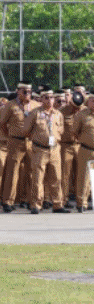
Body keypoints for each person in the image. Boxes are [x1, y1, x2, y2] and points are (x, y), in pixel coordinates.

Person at [24, 90, 67, 213]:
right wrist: (38, 138)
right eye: (46, 98)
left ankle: (58, 204)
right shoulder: (34, 113)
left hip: (54, 149)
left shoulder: (58, 114)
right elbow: (26, 130)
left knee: (56, 178)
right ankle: (36, 205)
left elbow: (61, 130)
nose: (50, 100)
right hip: (40, 150)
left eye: (52, 97)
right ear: (41, 99)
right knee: (38, 179)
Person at [1, 81, 40, 212]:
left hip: (31, 143)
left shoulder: (35, 105)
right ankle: (8, 201)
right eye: (24, 91)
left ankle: (31, 201)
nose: (28, 94)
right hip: (15, 142)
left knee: (32, 172)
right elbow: (2, 123)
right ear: (18, 91)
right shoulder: (10, 105)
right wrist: (9, 136)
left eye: (30, 91)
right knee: (12, 172)